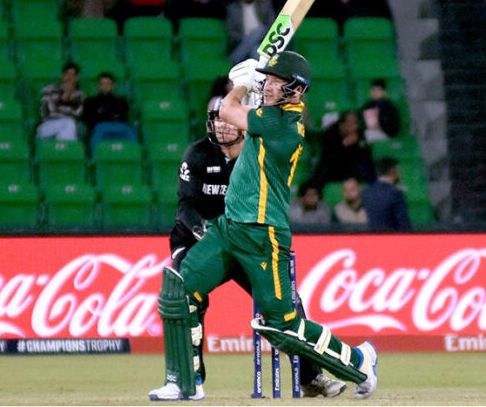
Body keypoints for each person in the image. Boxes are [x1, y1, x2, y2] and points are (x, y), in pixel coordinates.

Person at [149, 51, 378, 401]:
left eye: (275, 81)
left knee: (280, 324)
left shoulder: (284, 123)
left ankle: (360, 360)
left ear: (296, 91)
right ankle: (184, 383)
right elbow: (237, 116)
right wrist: (257, 89)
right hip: (229, 227)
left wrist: (241, 85)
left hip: (262, 233)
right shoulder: (267, 115)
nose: (268, 85)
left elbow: (227, 110)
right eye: (266, 79)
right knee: (180, 292)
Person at [168, 96, 345, 398]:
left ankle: (312, 377)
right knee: (185, 296)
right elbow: (186, 209)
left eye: (226, 119)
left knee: (287, 304)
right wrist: (211, 239)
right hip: (198, 238)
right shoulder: (197, 154)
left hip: (248, 241)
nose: (222, 126)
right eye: (216, 119)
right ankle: (189, 380)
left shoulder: (258, 152)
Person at [311, 109, 376, 188]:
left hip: (353, 172)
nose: (355, 127)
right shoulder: (329, 135)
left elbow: (366, 157)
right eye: (351, 124)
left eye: (356, 123)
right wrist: (344, 145)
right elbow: (328, 160)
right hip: (333, 171)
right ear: (342, 125)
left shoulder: (359, 134)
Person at [81, 72, 137, 151]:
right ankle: (95, 156)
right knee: (99, 129)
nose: (105, 87)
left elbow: (124, 117)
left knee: (130, 130)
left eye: (108, 84)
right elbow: (87, 119)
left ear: (114, 85)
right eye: (102, 84)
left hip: (119, 126)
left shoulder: (121, 101)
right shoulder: (91, 101)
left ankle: (134, 156)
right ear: (98, 85)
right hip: (100, 127)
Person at [225, 0, 276, 64]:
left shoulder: (265, 4)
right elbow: (232, 31)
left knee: (260, 29)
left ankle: (234, 58)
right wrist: (248, 39)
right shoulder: (233, 8)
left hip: (263, 39)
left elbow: (272, 24)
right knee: (255, 50)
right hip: (242, 40)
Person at [36, 62, 85, 141]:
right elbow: (47, 113)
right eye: (67, 74)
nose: (69, 78)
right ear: (61, 76)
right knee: (69, 124)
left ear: (77, 78)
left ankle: (61, 151)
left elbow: (77, 115)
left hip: (70, 127)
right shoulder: (49, 90)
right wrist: (63, 98)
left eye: (73, 75)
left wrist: (60, 107)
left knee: (69, 126)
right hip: (47, 126)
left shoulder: (80, 95)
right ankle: (65, 151)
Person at [361, 157, 411, 230]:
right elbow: (403, 223)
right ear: (394, 171)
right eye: (399, 171)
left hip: (372, 238)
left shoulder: (366, 192)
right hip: (392, 238)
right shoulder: (396, 193)